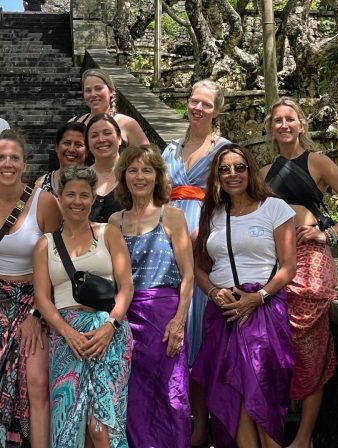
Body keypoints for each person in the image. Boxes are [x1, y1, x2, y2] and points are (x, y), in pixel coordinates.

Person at [263, 98, 338, 448]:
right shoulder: (263, 173)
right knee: (273, 347)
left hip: (312, 259)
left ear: (301, 125)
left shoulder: (318, 162)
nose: (284, 125)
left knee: (310, 345)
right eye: (277, 120)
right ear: (270, 128)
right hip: (276, 257)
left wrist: (330, 233)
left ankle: (304, 438)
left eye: (289, 119)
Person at [0, 130, 62, 448]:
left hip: (34, 301)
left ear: (25, 164)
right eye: (1, 157)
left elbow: (61, 263)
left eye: (14, 158)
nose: (8, 163)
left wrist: (38, 312)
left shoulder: (45, 203)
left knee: (36, 381)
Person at [192, 145, 297, 448]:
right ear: (217, 176)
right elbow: (198, 267)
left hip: (261, 312)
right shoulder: (213, 212)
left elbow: (288, 267)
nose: (232, 174)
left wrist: (258, 297)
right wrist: (212, 291)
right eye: (224, 169)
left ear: (250, 170)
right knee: (233, 401)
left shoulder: (274, 208)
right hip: (223, 313)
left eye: (239, 167)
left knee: (258, 395)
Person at [33, 165, 133, 448]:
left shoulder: (108, 233)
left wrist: (110, 327)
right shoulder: (45, 244)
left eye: (84, 195)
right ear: (60, 198)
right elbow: (42, 297)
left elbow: (126, 287)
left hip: (108, 333)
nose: (77, 201)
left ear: (92, 199)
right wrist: (67, 332)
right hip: (67, 337)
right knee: (69, 420)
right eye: (70, 195)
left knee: (100, 425)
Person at [109, 145, 193, 448]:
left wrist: (179, 322)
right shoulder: (114, 222)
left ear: (158, 176)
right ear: (123, 176)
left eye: (147, 170)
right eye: (133, 170)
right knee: (131, 394)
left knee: (171, 392)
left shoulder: (172, 217)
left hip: (163, 315)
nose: (139, 176)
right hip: (126, 317)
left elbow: (189, 276)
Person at [162, 79, 230, 447]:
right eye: (193, 101)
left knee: (199, 333)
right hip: (167, 245)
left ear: (216, 110)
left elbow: (233, 198)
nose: (197, 108)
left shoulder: (224, 151)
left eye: (206, 104)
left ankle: (202, 424)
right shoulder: (170, 148)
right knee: (174, 330)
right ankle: (175, 418)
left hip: (205, 243)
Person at [71, 68, 149, 149]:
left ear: (111, 91)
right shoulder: (75, 123)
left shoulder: (128, 124)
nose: (93, 94)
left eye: (98, 88)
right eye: (88, 90)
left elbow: (148, 158)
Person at [86, 113, 126, 223]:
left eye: (107, 133)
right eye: (94, 136)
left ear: (119, 138)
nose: (101, 139)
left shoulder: (134, 175)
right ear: (88, 143)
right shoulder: (80, 178)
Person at [36, 122, 88, 196]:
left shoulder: (95, 183)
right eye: (67, 143)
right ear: (56, 147)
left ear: (87, 151)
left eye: (78, 145)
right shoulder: (40, 185)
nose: (71, 149)